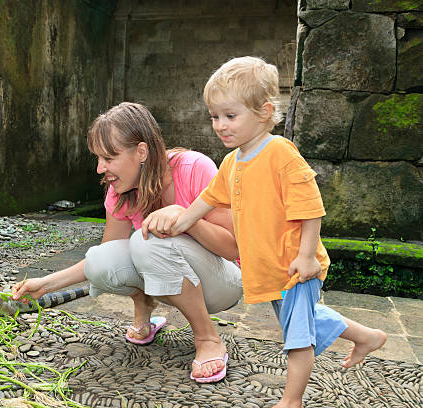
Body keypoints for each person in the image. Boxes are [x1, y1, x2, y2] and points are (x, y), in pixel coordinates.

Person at [144, 56, 387, 408]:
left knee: (297, 336)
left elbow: (310, 207)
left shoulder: (279, 153)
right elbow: (207, 200)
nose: (220, 125)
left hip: (294, 267)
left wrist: (306, 257)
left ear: (263, 111)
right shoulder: (232, 162)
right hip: (270, 268)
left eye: (230, 116)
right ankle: (367, 336)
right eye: (214, 116)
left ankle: (292, 401)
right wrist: (179, 223)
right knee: (306, 318)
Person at [12, 102, 243, 382]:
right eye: (98, 158)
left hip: (222, 282)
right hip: (169, 275)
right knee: (102, 259)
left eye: (109, 158)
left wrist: (186, 219)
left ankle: (208, 339)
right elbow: (108, 255)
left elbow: (233, 248)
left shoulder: (194, 168)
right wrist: (45, 285)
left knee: (146, 242)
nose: (100, 168)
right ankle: (143, 305)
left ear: (141, 152)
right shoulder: (120, 191)